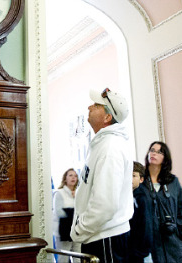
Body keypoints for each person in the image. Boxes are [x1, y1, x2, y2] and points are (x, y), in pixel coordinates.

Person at [70, 88, 133, 263]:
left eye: (97, 105)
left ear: (107, 117)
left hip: (105, 239)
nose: (90, 106)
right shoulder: (102, 144)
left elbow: (105, 205)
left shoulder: (111, 148)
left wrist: (79, 229)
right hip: (99, 236)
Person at [144, 141, 182, 263]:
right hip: (150, 244)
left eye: (159, 152)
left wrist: (181, 232)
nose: (154, 153)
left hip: (174, 243)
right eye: (152, 150)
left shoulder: (173, 182)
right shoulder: (141, 182)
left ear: (165, 158)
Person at [53, 168, 80, 262]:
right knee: (63, 258)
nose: (73, 177)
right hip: (63, 232)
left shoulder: (79, 194)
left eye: (75, 176)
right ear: (65, 178)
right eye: (70, 175)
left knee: (78, 257)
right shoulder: (59, 193)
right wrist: (74, 213)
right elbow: (59, 212)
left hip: (77, 230)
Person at [129, 161, 153, 263]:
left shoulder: (141, 197)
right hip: (134, 249)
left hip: (141, 251)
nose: (130, 179)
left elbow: (146, 224)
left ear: (141, 179)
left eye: (134, 176)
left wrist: (141, 251)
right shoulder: (132, 195)